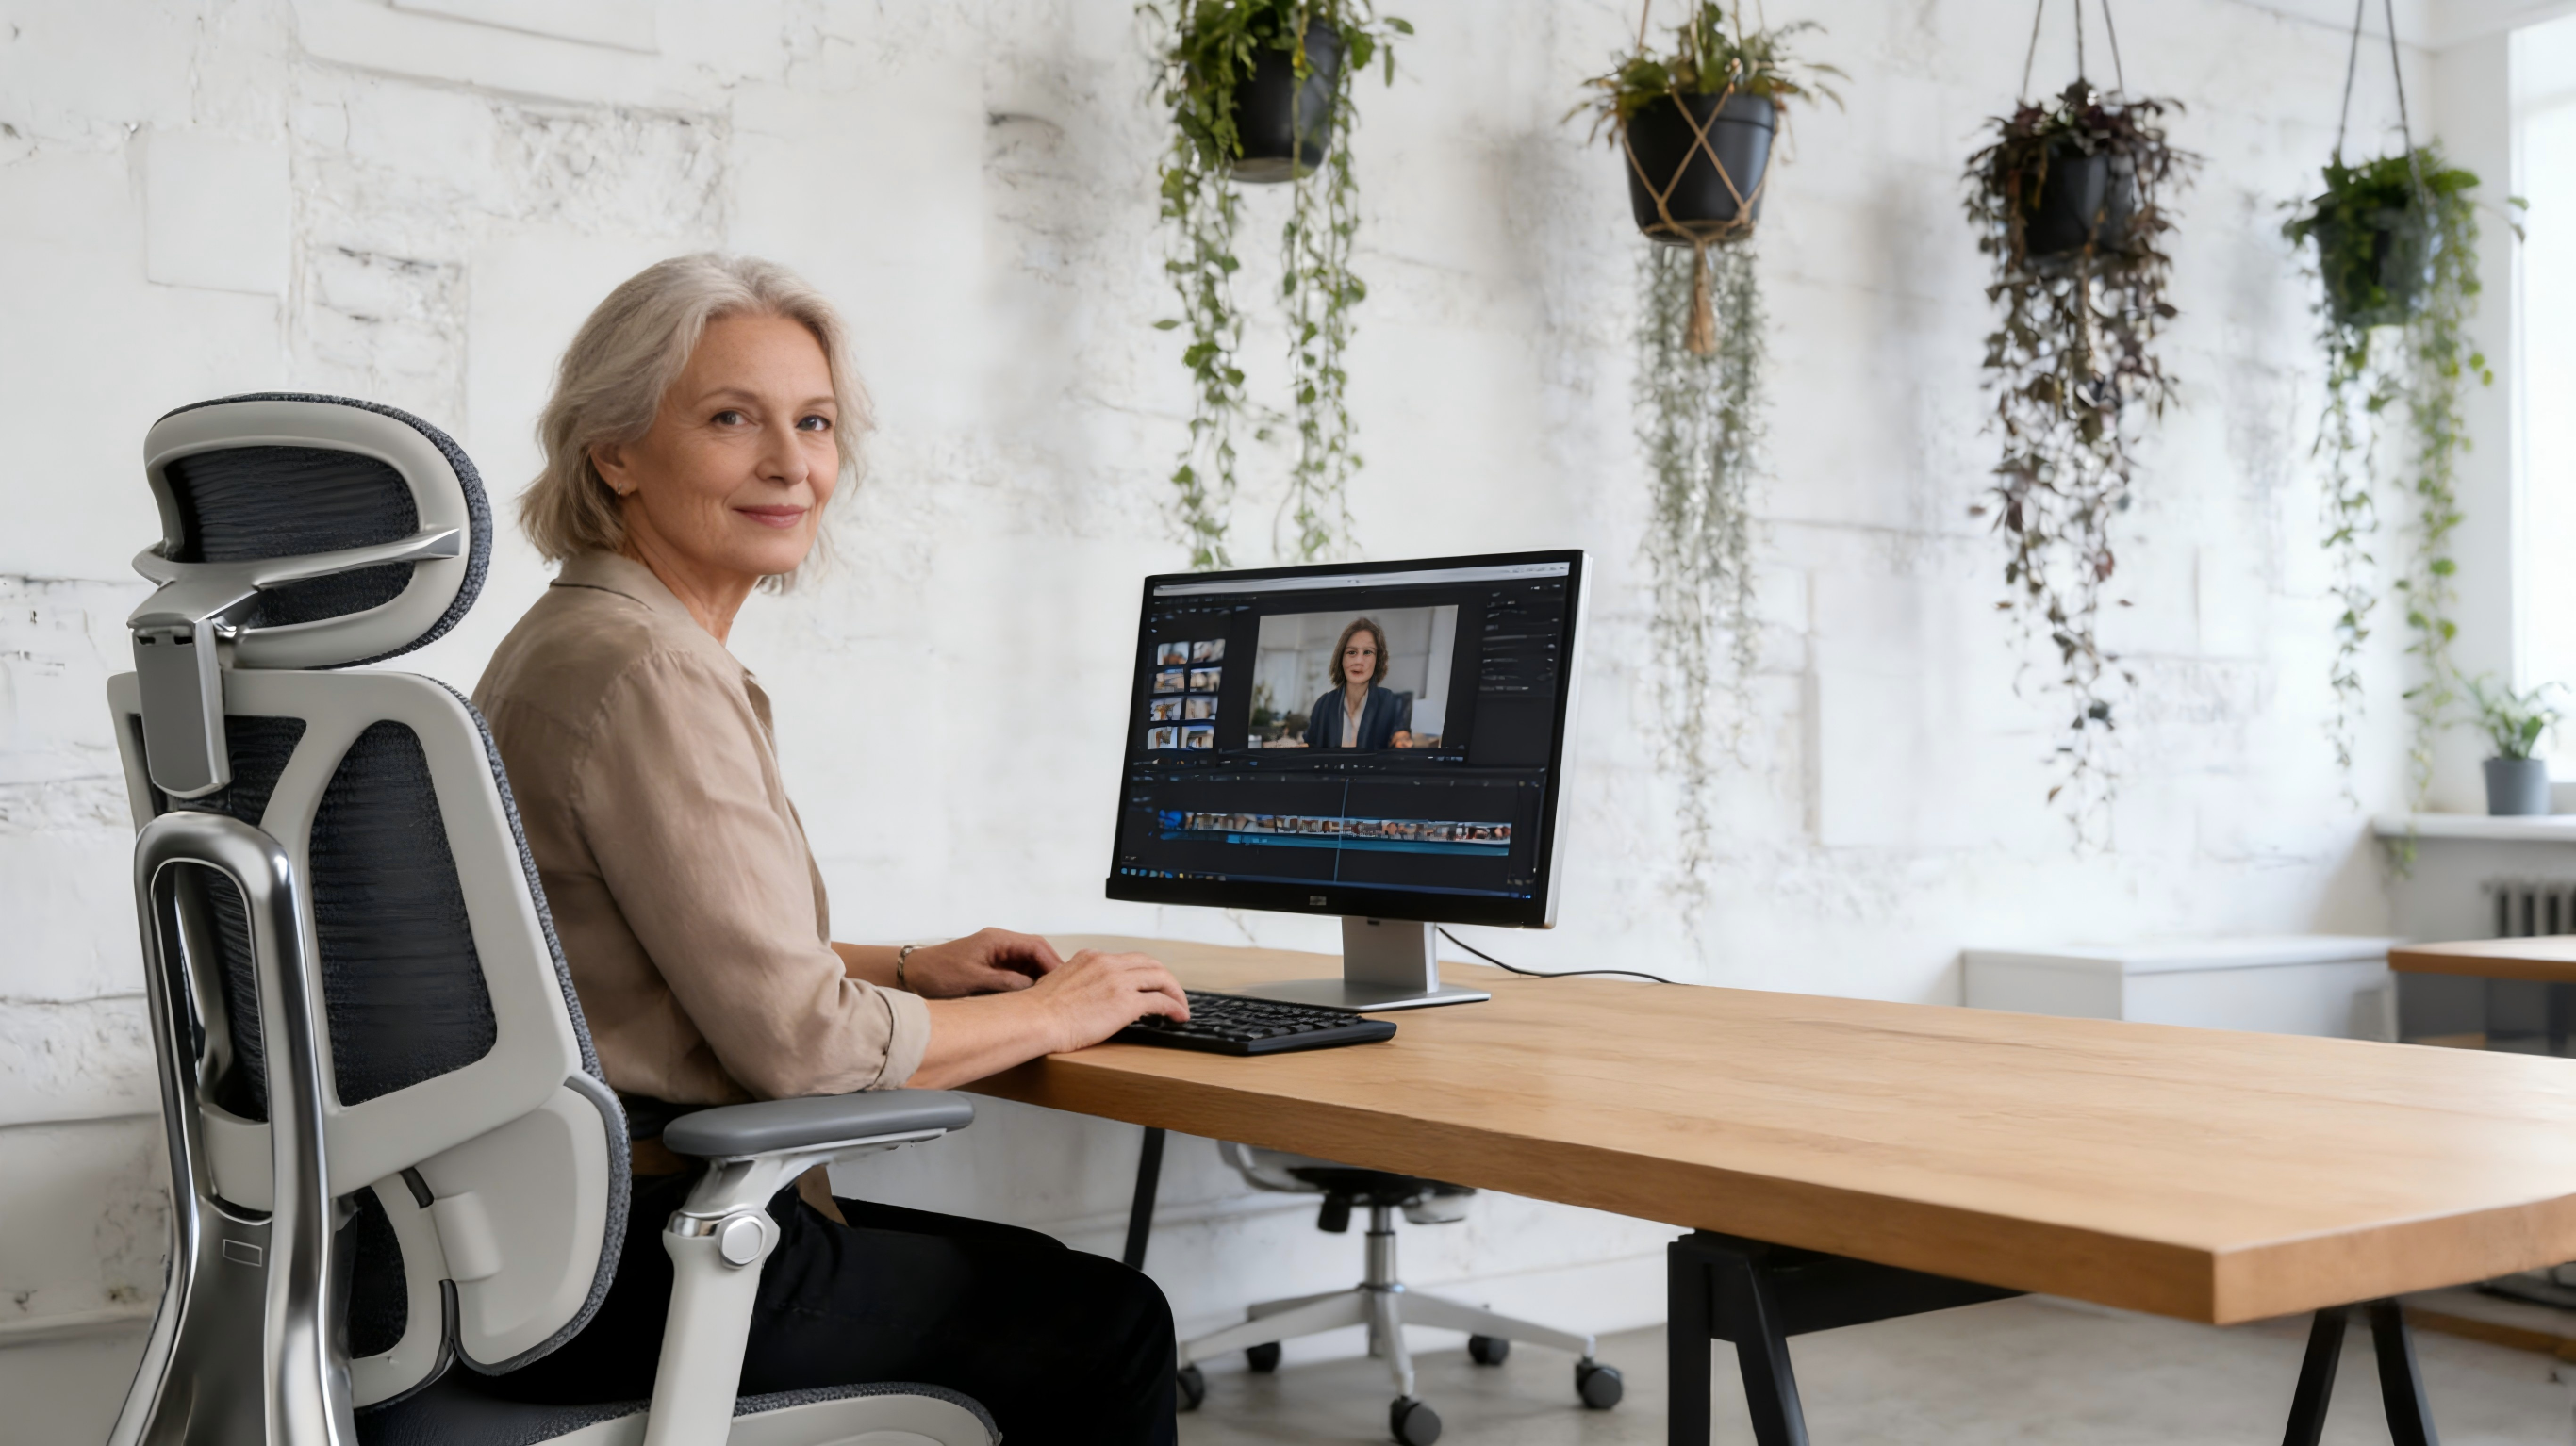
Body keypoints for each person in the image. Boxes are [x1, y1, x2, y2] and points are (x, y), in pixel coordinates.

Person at [471, 254, 1189, 1444]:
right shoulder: (647, 671)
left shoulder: (576, 639)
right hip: (641, 1259)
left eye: (813, 423)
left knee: (1046, 1288)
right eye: (729, 419)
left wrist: (906, 966)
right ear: (614, 451)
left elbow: (629, 945)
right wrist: (1058, 1011)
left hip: (537, 1245)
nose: (791, 465)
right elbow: (804, 1047)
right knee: (1107, 1322)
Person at [1293, 616, 1413, 750]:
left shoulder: (1392, 703)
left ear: (1378, 660)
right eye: (1352, 652)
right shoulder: (1324, 704)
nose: (1358, 661)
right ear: (1341, 659)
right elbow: (1311, 747)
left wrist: (1402, 740)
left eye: (1367, 652)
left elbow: (1400, 737)